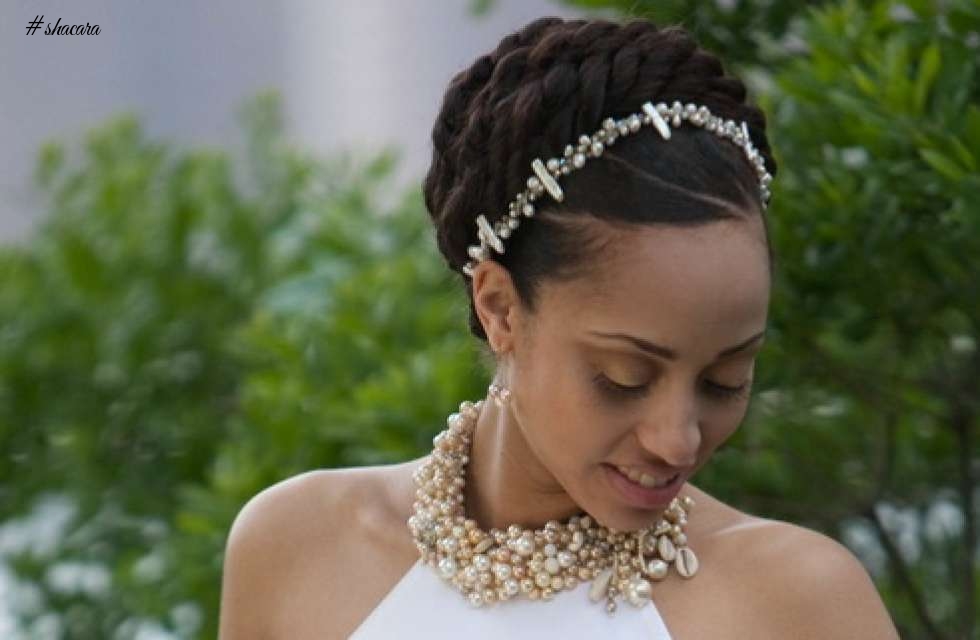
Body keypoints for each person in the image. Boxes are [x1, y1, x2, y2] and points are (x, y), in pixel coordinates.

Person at [218, 16, 901, 639]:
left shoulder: (796, 602)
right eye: (624, 378)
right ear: (500, 309)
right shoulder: (298, 547)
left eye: (725, 381)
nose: (677, 439)